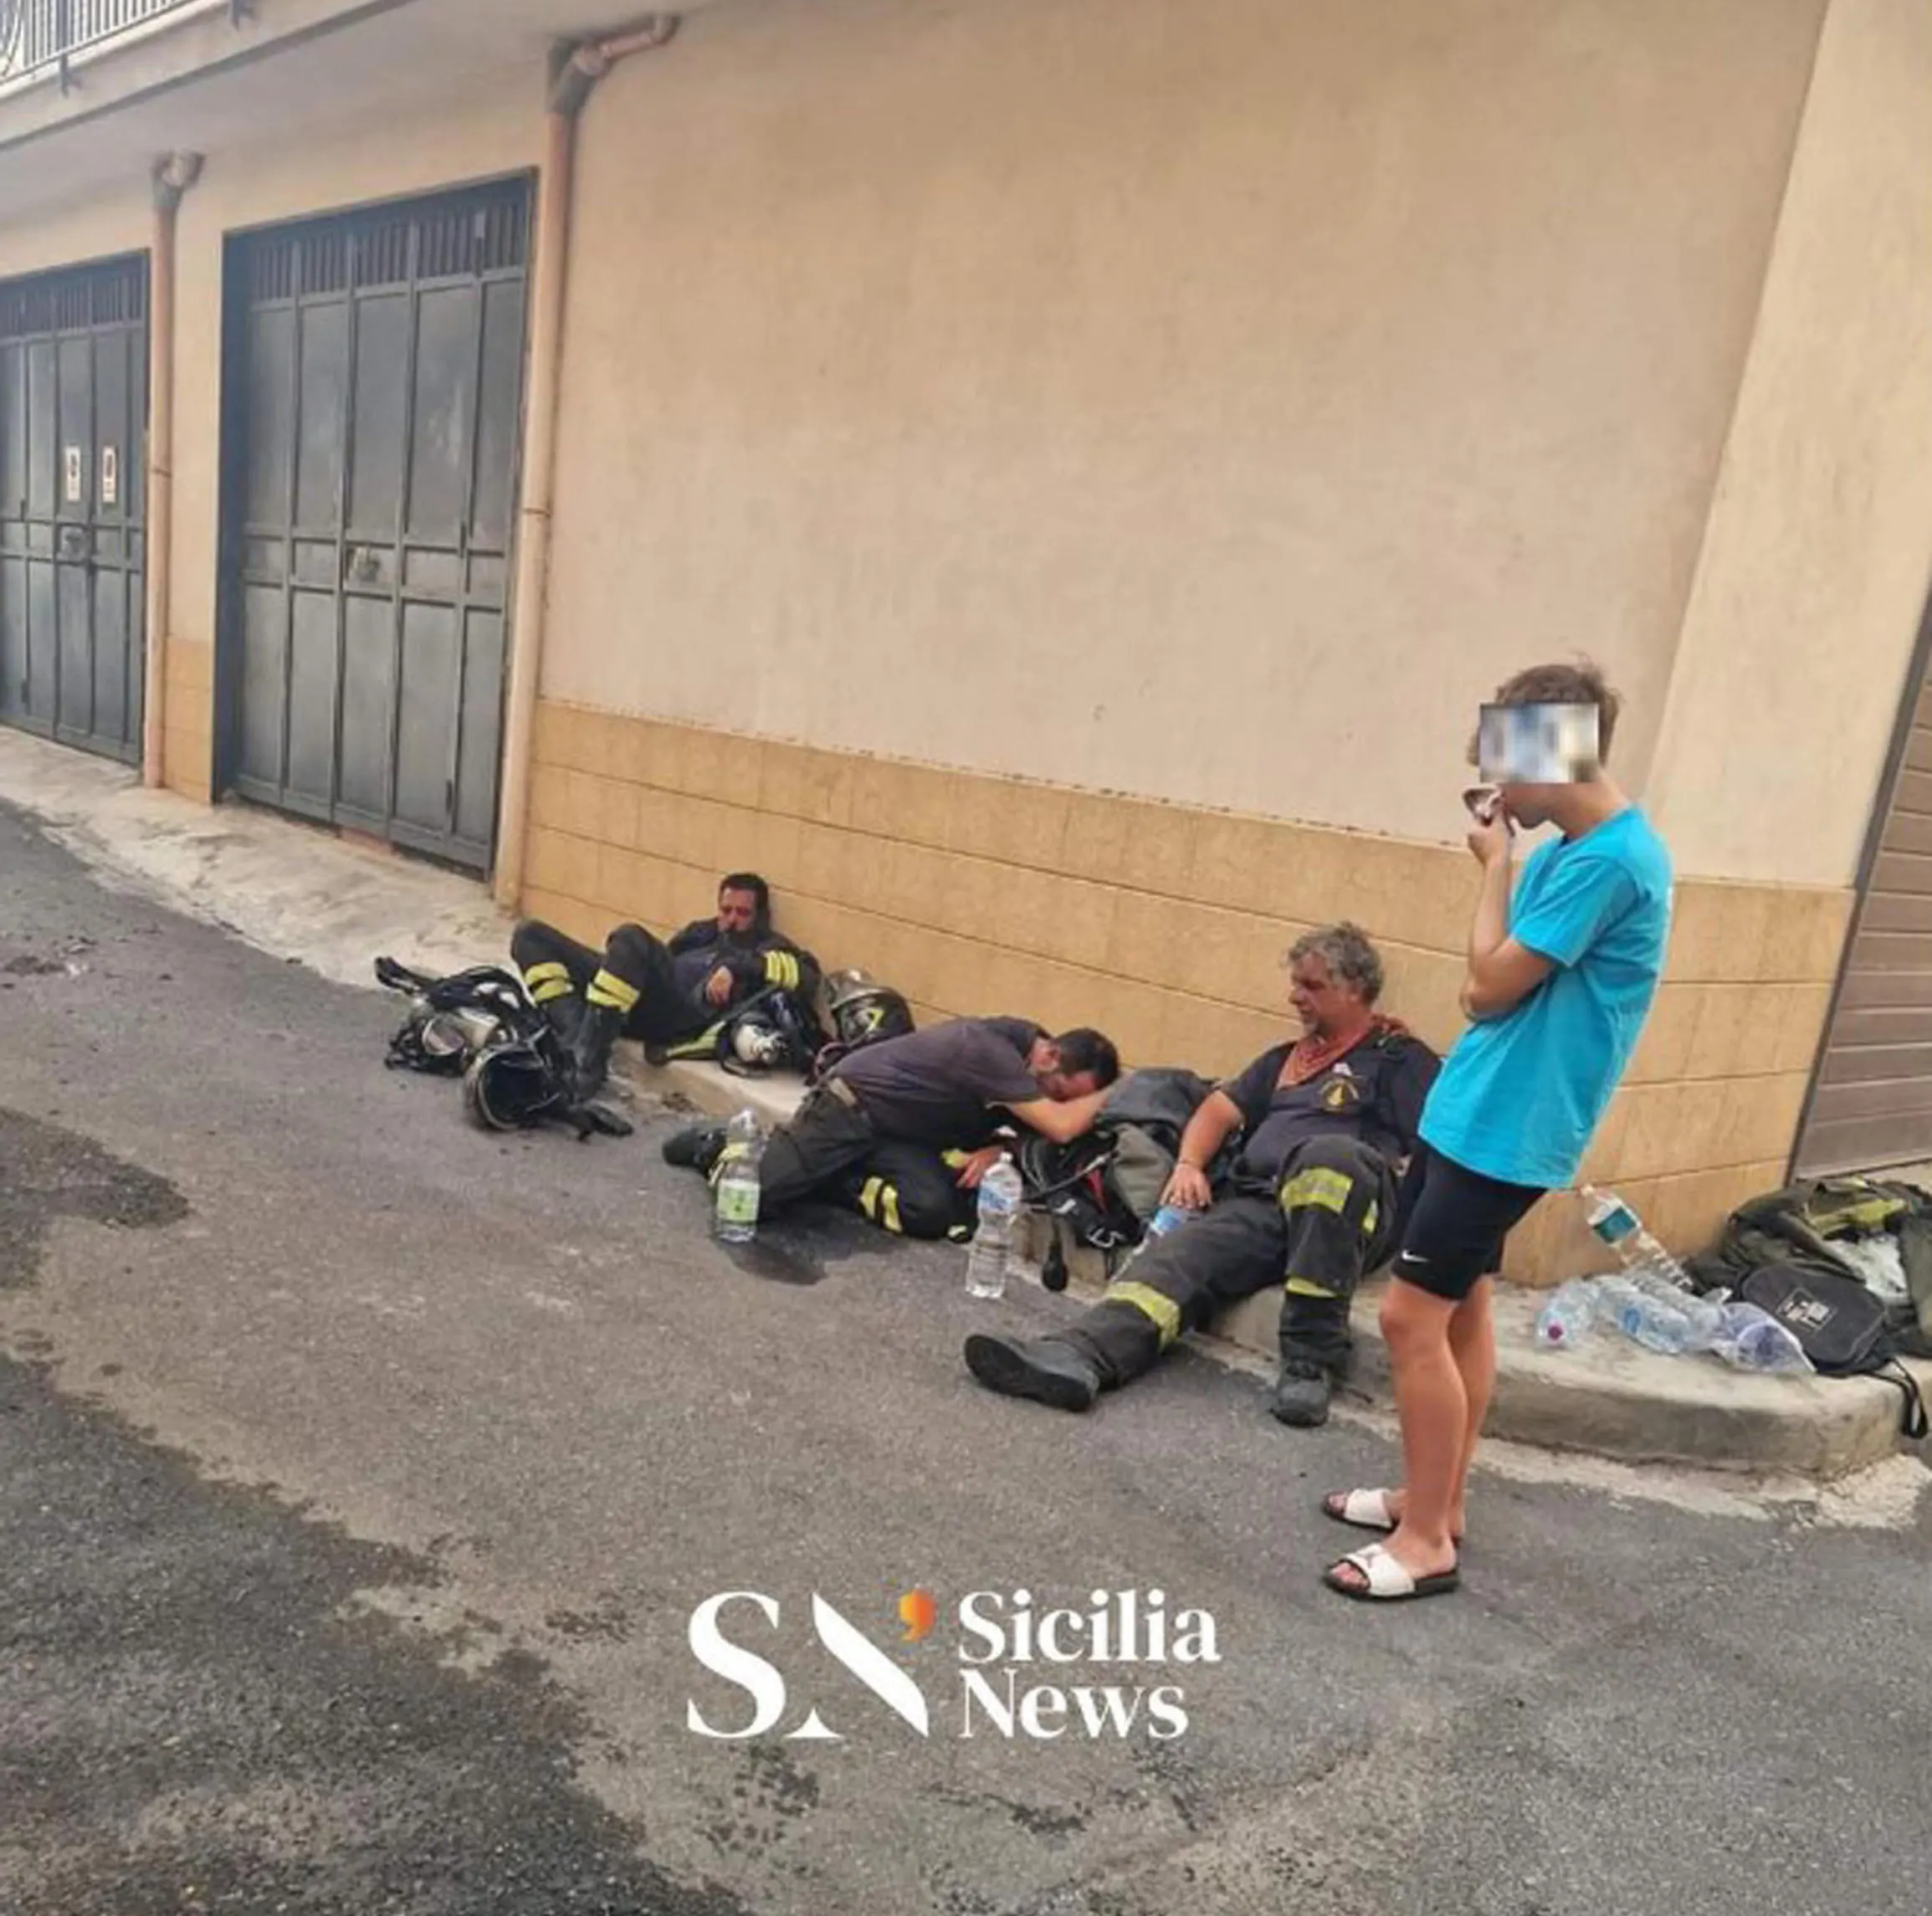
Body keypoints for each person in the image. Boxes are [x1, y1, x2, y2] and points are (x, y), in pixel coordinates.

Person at [1324, 658, 1673, 1603]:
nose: (1494, 792)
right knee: (1463, 1304)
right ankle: (1431, 1498)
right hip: (1475, 1110)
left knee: (1406, 1317)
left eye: (1500, 768)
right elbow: (1507, 977)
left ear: (1551, 755)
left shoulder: (1606, 861)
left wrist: (1493, 869)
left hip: (1509, 1130)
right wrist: (1512, 867)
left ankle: (1428, 1538)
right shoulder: (1572, 848)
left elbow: (1483, 990)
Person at [962, 925, 1437, 1426]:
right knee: (1176, 1259)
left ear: (1356, 989)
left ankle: (1310, 1363)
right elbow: (1216, 1110)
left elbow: (1438, 1146)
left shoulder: (1397, 1059)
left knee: (1330, 1159)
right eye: (1295, 983)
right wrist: (1189, 1166)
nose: (1294, 996)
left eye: (1311, 986)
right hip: (1262, 1205)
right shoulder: (1283, 1060)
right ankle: (1079, 1357)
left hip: (1344, 1215)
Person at [663, 1017, 1121, 1237]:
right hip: (848, 1110)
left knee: (934, 1212)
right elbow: (1061, 1129)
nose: (1059, 1103)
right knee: (754, 1201)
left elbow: (1032, 1126)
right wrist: (1126, 1086)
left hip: (896, 1135)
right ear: (1050, 1056)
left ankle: (827, 1176)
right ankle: (721, 1144)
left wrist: (998, 1152)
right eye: (1064, 1092)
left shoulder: (1026, 1064)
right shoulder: (988, 1050)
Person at [512, 873, 820, 1102]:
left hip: (679, 1014)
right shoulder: (702, 931)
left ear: (760, 917)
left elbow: (808, 976)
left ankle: (587, 1066)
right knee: (530, 935)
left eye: (742, 913)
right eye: (726, 910)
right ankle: (576, 1039)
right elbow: (664, 958)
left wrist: (737, 967)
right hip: (638, 997)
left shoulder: (769, 946)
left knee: (631, 936)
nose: (731, 920)